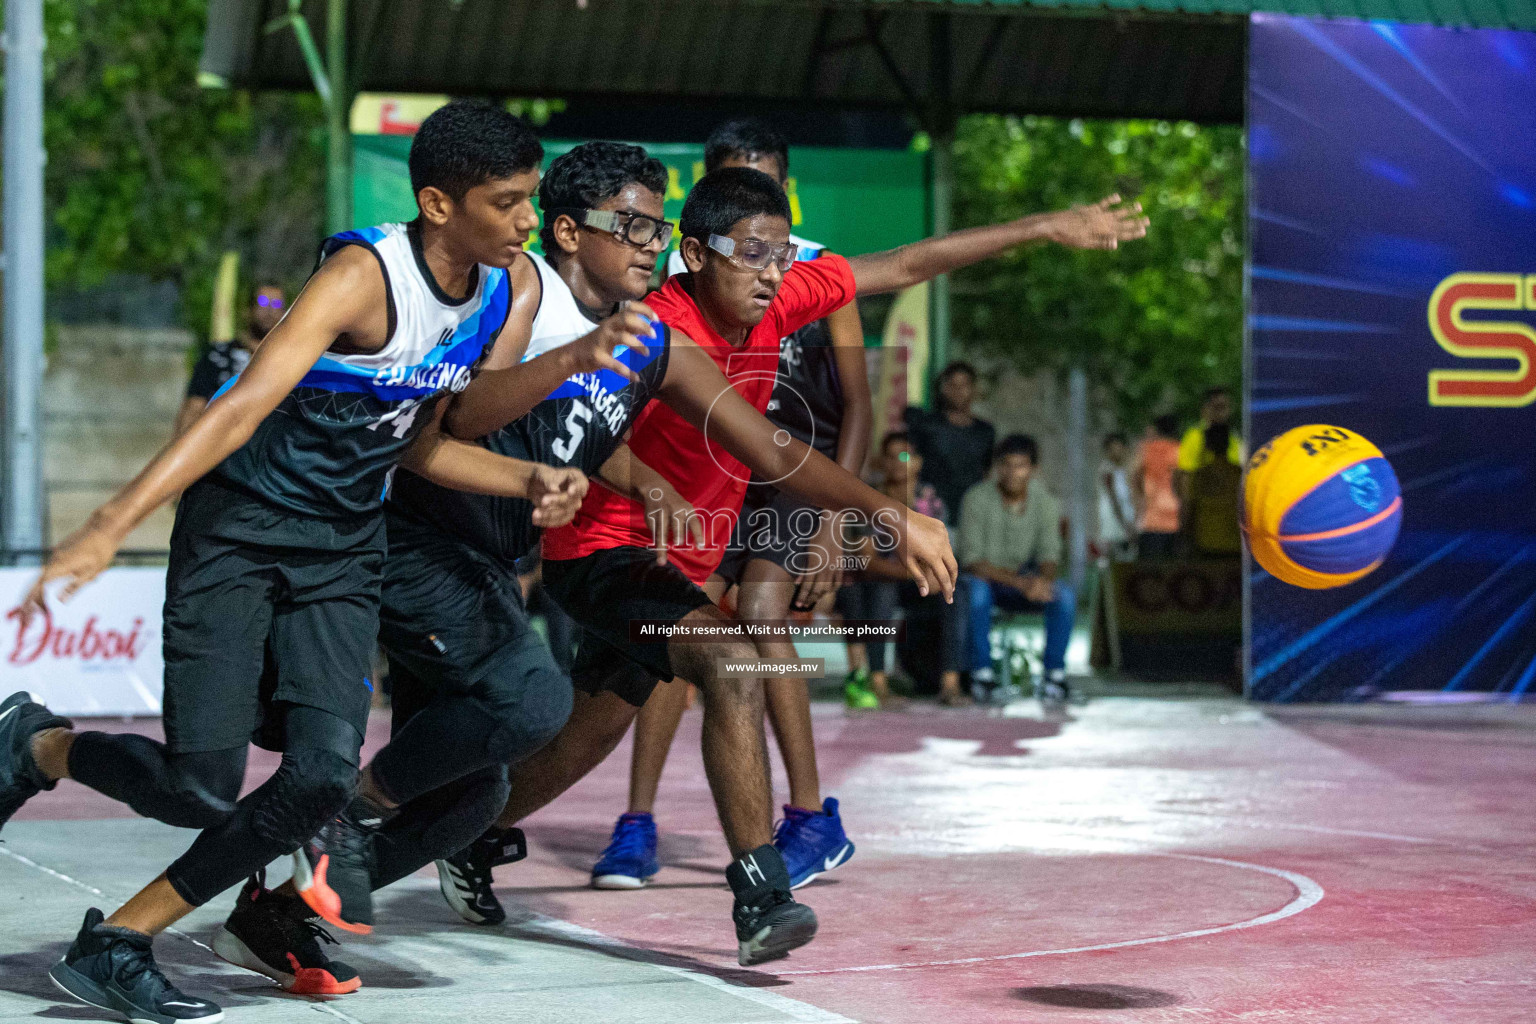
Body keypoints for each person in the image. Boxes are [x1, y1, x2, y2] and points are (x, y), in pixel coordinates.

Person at [444, 165, 1146, 966]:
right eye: (753, 252)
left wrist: (1045, 225)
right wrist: (656, 483)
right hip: (607, 547)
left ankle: (465, 834)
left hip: (682, 559)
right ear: (696, 255)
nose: (773, 270)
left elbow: (907, 265)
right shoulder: (656, 325)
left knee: (585, 739)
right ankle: (761, 895)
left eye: (782, 253)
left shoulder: (780, 295)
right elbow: (582, 432)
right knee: (733, 663)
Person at [0, 101, 599, 1021]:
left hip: (343, 553)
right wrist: (109, 523)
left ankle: (120, 938)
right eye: (508, 202)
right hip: (239, 536)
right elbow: (236, 410)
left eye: (530, 200)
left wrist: (527, 479)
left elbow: (419, 445)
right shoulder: (363, 275)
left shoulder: (490, 293)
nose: (527, 223)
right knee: (197, 788)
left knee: (323, 776)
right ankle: (37, 742)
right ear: (439, 203)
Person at [610, 119, 875, 895]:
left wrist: (838, 520)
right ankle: (637, 822)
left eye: (767, 180)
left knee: (761, 610)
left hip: (790, 471)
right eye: (736, 180)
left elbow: (857, 402)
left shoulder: (815, 269)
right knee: (677, 623)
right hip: (702, 468)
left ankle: (808, 813)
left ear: (786, 189)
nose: (755, 194)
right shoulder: (675, 284)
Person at [838, 431, 969, 706]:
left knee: (958, 591)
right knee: (881, 590)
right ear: (881, 462)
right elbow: (868, 560)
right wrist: (914, 573)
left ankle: (950, 684)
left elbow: (938, 552)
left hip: (914, 581)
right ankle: (878, 683)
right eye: (890, 456)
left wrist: (933, 577)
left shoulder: (930, 500)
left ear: (918, 462)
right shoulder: (869, 499)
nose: (897, 462)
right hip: (878, 579)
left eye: (905, 456)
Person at [961, 434, 1076, 703]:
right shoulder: (976, 498)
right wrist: (1024, 583)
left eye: (1021, 465)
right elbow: (972, 561)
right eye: (1007, 465)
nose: (1013, 472)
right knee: (975, 592)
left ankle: (1054, 676)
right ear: (997, 467)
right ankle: (982, 674)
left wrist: (1042, 582)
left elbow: (1050, 554)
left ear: (1034, 470)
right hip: (986, 581)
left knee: (1064, 595)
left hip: (1023, 581)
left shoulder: (1045, 501)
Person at [173, 283, 286, 438]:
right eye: (263, 302)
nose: (269, 310)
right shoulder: (218, 355)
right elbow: (194, 407)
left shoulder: (291, 361)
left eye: (277, 304)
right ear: (248, 310)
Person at [904, 362, 996, 523]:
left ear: (973, 389)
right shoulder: (927, 426)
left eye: (964, 385)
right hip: (931, 512)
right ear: (944, 389)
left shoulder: (985, 431)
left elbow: (987, 472)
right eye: (952, 385)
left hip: (971, 514)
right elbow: (907, 458)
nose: (958, 391)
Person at [1176, 386, 1244, 555]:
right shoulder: (1194, 438)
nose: (1222, 413)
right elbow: (1186, 488)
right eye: (1217, 408)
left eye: (1226, 407)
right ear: (1205, 409)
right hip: (1204, 534)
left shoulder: (1234, 439)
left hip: (1231, 536)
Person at [1135, 414, 1182, 559]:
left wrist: (1141, 498)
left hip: (1151, 519)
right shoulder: (1179, 450)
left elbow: (1135, 474)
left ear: (1157, 429)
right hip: (1175, 518)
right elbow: (1181, 482)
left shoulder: (1145, 449)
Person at [1097, 432, 1136, 561]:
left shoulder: (1125, 470)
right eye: (1114, 448)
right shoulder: (1107, 469)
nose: (1118, 451)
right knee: (1110, 555)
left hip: (1125, 516)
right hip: (1113, 518)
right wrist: (1124, 522)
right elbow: (1113, 497)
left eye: (1120, 447)